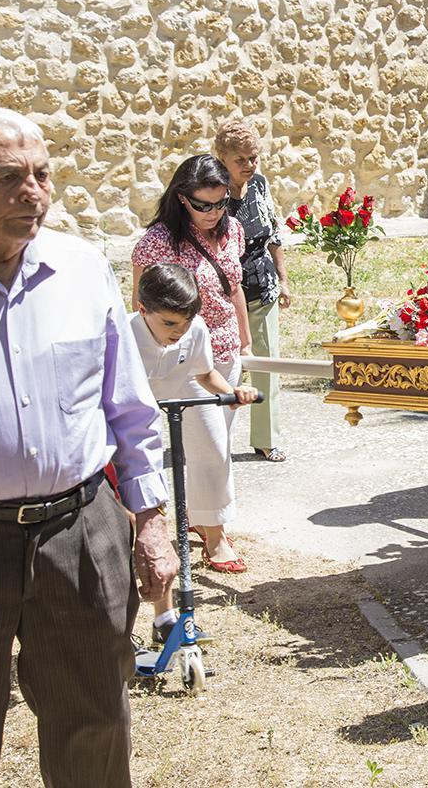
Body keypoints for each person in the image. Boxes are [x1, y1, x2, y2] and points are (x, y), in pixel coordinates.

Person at [0, 107, 176, 788]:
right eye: (8, 178)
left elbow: (129, 408)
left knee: (93, 723)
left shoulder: (81, 268)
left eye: (42, 174)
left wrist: (151, 522)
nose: (34, 193)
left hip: (80, 532)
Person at [132, 154, 253, 572]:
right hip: (182, 355)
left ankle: (203, 520)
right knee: (209, 447)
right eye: (203, 204)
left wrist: (245, 341)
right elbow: (143, 303)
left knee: (216, 448)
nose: (213, 212)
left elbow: (233, 287)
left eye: (221, 202)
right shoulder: (158, 242)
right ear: (182, 198)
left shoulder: (232, 230)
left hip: (225, 348)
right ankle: (213, 536)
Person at [130, 263, 258, 634]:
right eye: (169, 323)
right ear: (143, 309)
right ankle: (151, 615)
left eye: (185, 323)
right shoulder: (121, 333)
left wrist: (231, 393)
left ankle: (167, 616)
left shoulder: (195, 329)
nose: (179, 332)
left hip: (175, 396)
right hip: (132, 419)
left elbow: (203, 373)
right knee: (145, 508)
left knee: (212, 450)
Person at [214, 120, 292, 463]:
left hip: (262, 285)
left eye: (253, 157)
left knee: (266, 363)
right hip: (222, 292)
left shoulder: (259, 184)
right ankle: (212, 436)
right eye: (240, 159)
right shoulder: (212, 192)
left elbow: (273, 234)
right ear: (222, 158)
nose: (249, 165)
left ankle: (266, 439)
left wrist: (283, 279)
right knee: (221, 366)